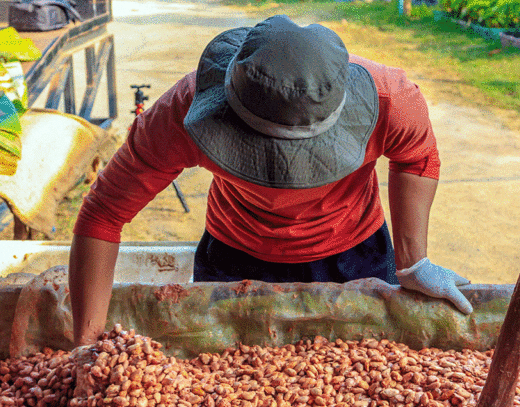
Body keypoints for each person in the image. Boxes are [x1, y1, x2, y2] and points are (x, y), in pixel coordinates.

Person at [69, 15, 473, 346]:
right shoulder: (182, 112)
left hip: (355, 253)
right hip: (234, 254)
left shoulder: (393, 99)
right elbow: (104, 214)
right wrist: (86, 344)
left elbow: (417, 157)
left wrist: (413, 261)